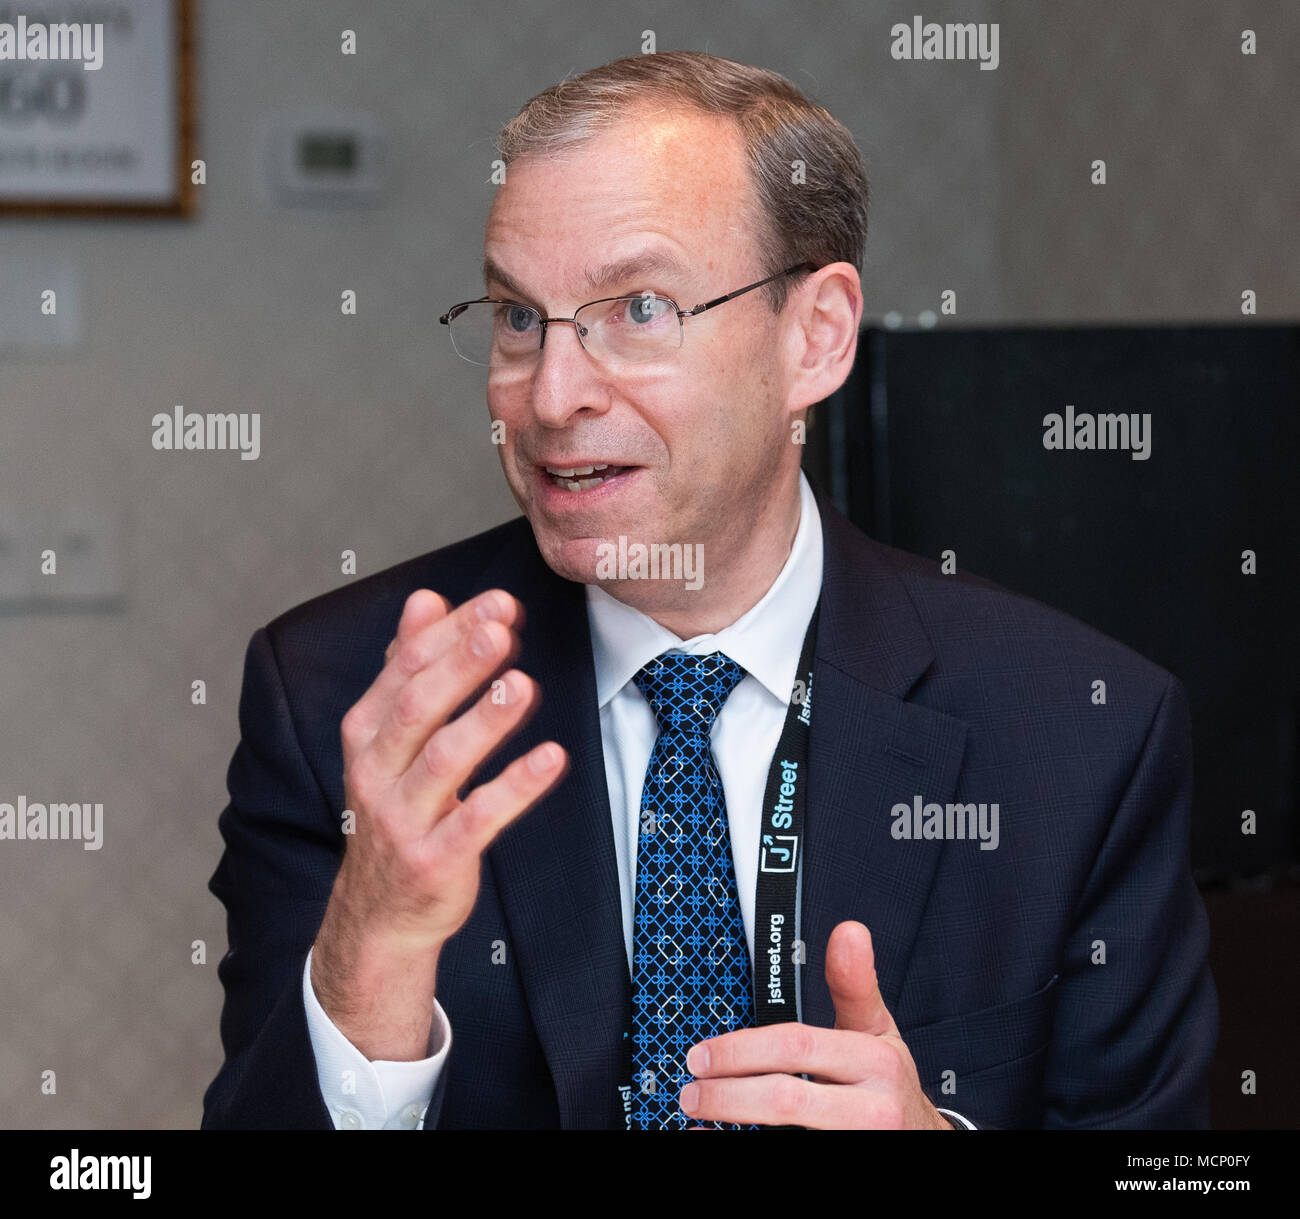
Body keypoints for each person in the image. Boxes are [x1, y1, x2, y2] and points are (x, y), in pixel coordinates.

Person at [203, 50, 1216, 1131]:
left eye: (638, 308)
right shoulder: (339, 699)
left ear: (815, 336)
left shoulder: (1077, 732)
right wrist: (372, 954)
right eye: (516, 317)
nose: (550, 395)